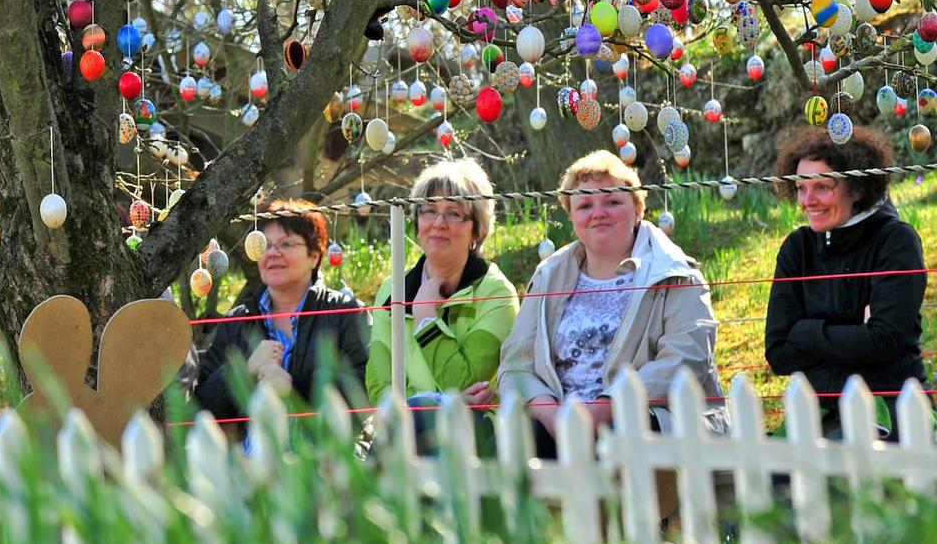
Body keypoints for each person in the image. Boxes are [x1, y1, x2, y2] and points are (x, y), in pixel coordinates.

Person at [489, 151, 725, 448]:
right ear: (572, 217)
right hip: (559, 423)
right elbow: (515, 365)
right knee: (516, 438)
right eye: (585, 205)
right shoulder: (548, 276)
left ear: (638, 209)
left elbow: (686, 358)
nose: (599, 212)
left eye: (612, 202)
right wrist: (552, 417)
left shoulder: (675, 273)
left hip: (648, 422)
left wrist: (605, 408)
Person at [764, 125, 927, 439]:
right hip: (816, 412)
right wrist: (857, 333)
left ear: (858, 188)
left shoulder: (895, 241)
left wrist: (805, 330)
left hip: (892, 408)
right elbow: (778, 353)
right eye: (800, 188)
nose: (807, 201)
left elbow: (885, 340)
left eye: (822, 187)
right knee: (773, 481)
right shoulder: (797, 248)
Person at [366, 159, 519, 442]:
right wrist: (434, 404)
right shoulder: (392, 291)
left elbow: (466, 382)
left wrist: (426, 318)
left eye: (454, 213)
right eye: (429, 211)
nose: (438, 223)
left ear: (478, 230)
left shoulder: (496, 293)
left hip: (476, 436)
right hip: (405, 432)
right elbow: (380, 384)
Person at [194, 199, 370, 417]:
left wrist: (293, 390)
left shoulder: (344, 313)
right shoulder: (236, 322)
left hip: (325, 449)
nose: (273, 253)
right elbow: (200, 404)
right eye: (265, 245)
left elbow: (364, 391)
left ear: (314, 256)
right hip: (249, 451)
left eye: (286, 244)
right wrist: (244, 370)